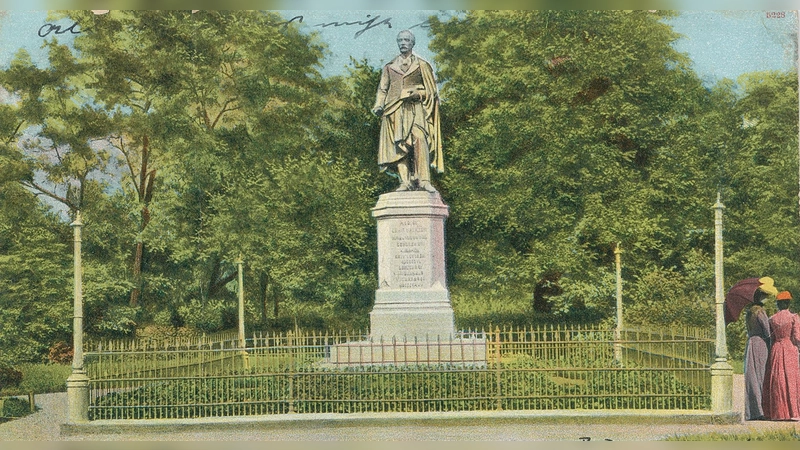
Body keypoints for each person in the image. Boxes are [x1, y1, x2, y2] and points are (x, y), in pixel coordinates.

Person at [372, 30, 443, 193]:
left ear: (412, 43)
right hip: (394, 109)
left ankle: (424, 180)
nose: (403, 43)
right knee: (399, 145)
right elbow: (383, 89)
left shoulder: (422, 65)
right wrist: (378, 105)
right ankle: (404, 182)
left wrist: (418, 94)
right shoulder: (389, 67)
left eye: (406, 40)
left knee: (419, 139)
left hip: (416, 108)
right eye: (400, 40)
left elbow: (432, 92)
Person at [762, 290, 800, 420]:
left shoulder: (772, 318)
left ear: (778, 304)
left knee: (777, 379)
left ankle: (778, 411)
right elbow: (797, 336)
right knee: (790, 378)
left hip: (776, 348)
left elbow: (770, 337)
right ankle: (792, 411)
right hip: (789, 348)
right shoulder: (794, 317)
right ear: (788, 303)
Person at [743, 288, 771, 420]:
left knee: (752, 376)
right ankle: (761, 410)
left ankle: (752, 410)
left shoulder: (749, 313)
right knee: (761, 374)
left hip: (751, 343)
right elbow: (767, 331)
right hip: (760, 343)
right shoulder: (761, 312)